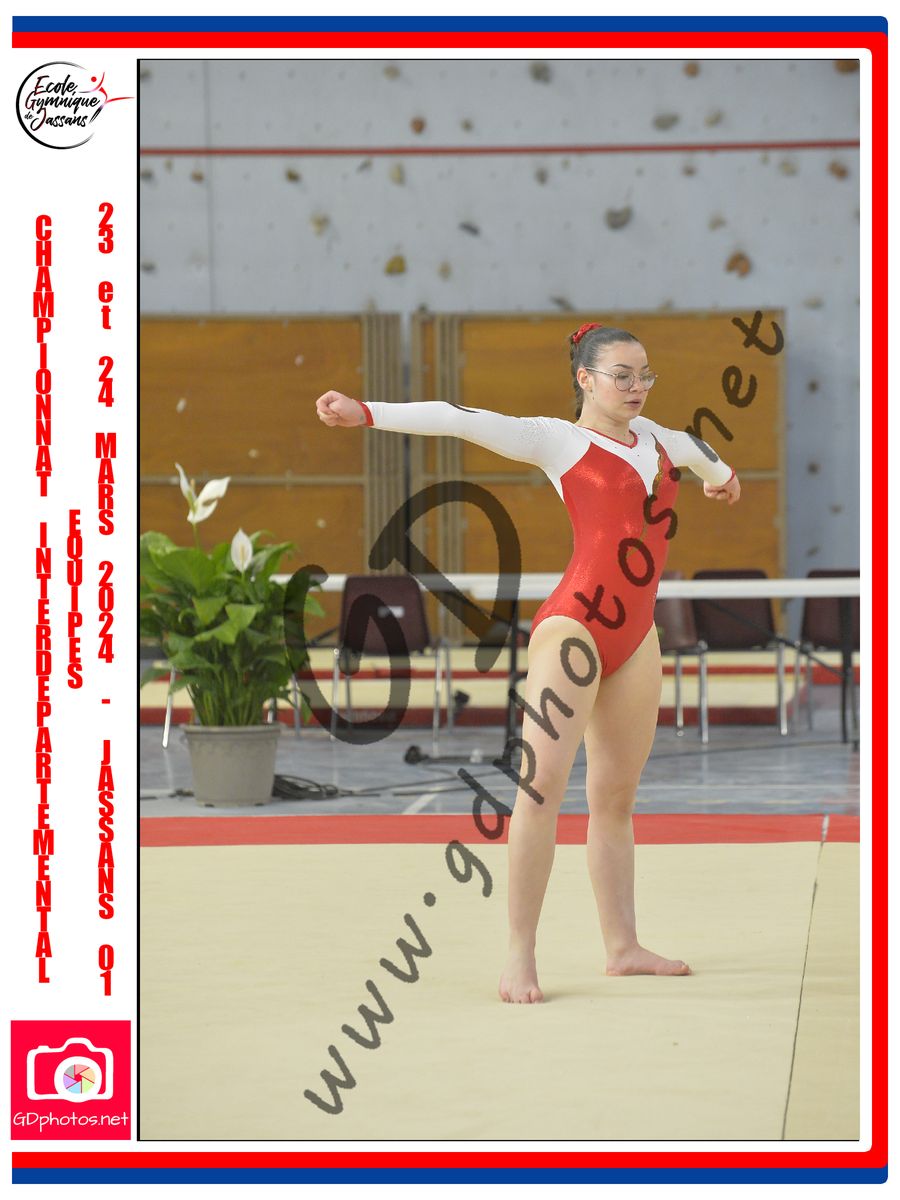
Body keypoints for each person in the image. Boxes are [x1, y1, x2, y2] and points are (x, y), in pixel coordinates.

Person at [316, 322, 740, 1004]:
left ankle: (623, 947)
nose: (637, 387)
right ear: (585, 379)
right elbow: (457, 418)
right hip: (575, 627)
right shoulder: (558, 440)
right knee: (540, 790)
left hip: (636, 637)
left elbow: (704, 452)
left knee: (615, 799)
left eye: (645, 375)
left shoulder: (661, 440)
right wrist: (366, 412)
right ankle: (520, 954)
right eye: (622, 375)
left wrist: (724, 479)